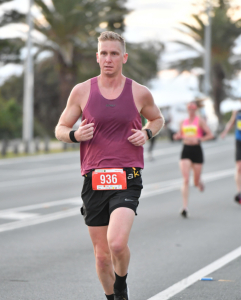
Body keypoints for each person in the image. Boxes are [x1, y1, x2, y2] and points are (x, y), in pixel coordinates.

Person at [55, 31, 164, 300]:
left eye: (114, 53)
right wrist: (74, 135)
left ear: (123, 57)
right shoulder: (81, 91)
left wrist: (147, 133)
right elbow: (60, 128)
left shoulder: (139, 92)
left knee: (116, 243)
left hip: (127, 176)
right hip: (94, 178)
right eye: (103, 53)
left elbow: (157, 119)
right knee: (102, 257)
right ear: (97, 57)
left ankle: (121, 284)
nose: (108, 59)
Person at [173, 101, 214, 218]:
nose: (191, 111)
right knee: (186, 179)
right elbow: (179, 134)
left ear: (195, 110)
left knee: (195, 182)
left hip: (197, 151)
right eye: (189, 109)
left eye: (193, 109)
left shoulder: (200, 121)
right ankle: (184, 207)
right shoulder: (183, 122)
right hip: (186, 150)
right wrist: (177, 136)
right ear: (187, 110)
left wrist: (200, 140)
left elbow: (210, 134)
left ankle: (199, 181)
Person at [221, 93, 241, 205]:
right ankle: (239, 192)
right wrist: (225, 132)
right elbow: (231, 123)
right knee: (239, 166)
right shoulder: (237, 112)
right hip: (240, 141)